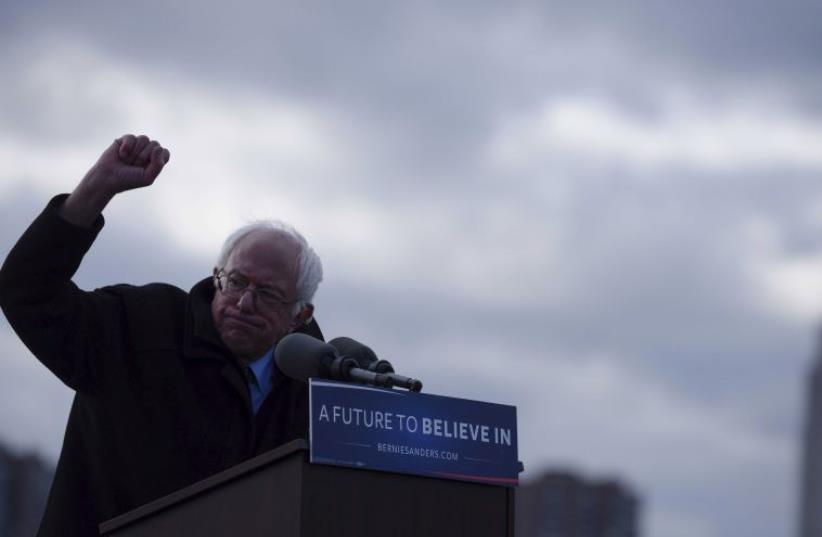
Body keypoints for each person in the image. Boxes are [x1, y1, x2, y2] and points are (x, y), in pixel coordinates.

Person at [0, 134, 324, 537]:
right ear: (217, 276)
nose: (243, 303)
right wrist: (97, 188)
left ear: (300, 314)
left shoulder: (317, 391)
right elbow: (27, 291)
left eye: (267, 294)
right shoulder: (137, 326)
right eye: (236, 282)